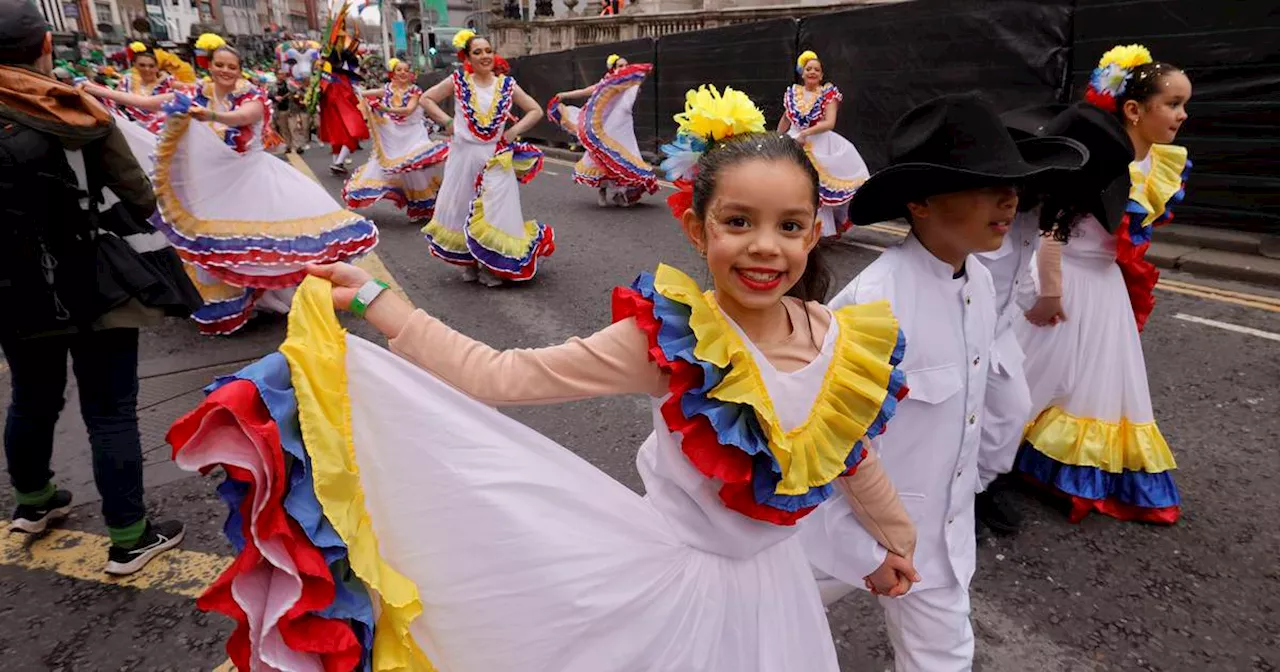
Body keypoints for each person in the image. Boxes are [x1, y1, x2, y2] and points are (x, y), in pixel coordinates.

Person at [170, 85, 922, 671]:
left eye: (790, 225)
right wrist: (381, 304)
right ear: (696, 228)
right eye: (738, 222)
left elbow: (853, 457)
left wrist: (892, 545)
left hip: (778, 590)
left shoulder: (839, 341)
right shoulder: (667, 341)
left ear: (816, 229)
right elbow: (501, 375)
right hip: (671, 590)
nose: (766, 248)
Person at [798, 93, 1086, 671]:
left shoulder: (979, 282)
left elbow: (985, 399)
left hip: (941, 540)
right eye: (985, 185)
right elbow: (827, 450)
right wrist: (863, 551)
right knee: (761, 632)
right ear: (923, 202)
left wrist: (973, 486)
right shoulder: (872, 307)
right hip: (843, 539)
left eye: (1013, 184)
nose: (1010, 199)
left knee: (945, 659)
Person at [0, 0, 201, 575]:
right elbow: (140, 195)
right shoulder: (73, 110)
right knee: (109, 409)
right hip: (93, 281)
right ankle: (129, 537)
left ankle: (34, 503)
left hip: (14, 286)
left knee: (32, 396)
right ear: (44, 48)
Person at [79, 36, 380, 335]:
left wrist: (210, 115)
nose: (225, 70)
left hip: (254, 179)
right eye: (219, 65)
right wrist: (95, 90)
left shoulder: (251, 96)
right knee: (220, 244)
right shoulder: (194, 93)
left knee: (277, 240)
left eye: (231, 66)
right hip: (214, 186)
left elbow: (243, 117)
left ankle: (301, 294)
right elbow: (148, 103)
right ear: (209, 66)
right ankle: (243, 300)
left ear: (238, 70)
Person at [1013, 45, 1191, 524]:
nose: (1182, 114)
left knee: (1095, 390)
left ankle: (1052, 468)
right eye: (1172, 104)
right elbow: (1052, 226)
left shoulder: (1158, 165)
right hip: (1065, 278)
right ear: (1134, 109)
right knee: (1030, 380)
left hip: (1104, 286)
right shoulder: (1097, 156)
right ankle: (985, 468)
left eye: (1183, 104)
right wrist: (1049, 292)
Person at [969, 102, 1138, 536]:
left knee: (1011, 409)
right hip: (965, 318)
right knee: (964, 408)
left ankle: (977, 486)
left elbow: (1025, 263)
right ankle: (956, 497)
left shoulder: (1041, 205)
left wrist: (1030, 301)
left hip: (999, 323)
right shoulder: (1002, 198)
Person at [419, 29, 553, 287]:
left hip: (494, 155)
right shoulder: (458, 80)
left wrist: (513, 131)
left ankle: (492, 265)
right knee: (462, 208)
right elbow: (426, 99)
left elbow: (535, 110)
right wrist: (447, 121)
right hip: (464, 155)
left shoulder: (506, 84)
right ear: (467, 58)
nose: (484, 56)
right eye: (477, 52)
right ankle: (469, 262)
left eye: (488, 51)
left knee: (495, 211)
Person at [776, 50, 870, 238]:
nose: (812, 72)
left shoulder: (828, 94)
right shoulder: (794, 93)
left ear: (821, 75)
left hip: (819, 142)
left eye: (816, 70)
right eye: (809, 69)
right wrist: (776, 139)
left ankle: (819, 228)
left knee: (816, 187)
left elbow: (829, 122)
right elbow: (786, 119)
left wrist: (806, 133)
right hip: (794, 141)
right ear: (802, 73)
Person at [342, 57, 447, 221]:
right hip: (393, 136)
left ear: (411, 74)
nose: (403, 73)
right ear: (393, 73)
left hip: (413, 134)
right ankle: (418, 206)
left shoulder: (415, 91)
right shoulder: (387, 89)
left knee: (416, 167)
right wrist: (350, 91)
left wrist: (384, 108)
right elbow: (360, 95)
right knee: (395, 170)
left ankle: (425, 205)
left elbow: (408, 110)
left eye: (406, 70)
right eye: (399, 70)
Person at [550, 53, 658, 207]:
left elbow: (639, 80)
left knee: (624, 158)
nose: (624, 68)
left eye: (626, 65)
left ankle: (619, 193)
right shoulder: (605, 84)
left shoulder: (630, 83)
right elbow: (584, 91)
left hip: (622, 124)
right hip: (604, 127)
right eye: (620, 66)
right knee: (602, 157)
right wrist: (563, 95)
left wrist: (642, 72)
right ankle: (602, 190)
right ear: (613, 68)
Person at [319, 46, 368, 175]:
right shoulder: (341, 78)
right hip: (343, 110)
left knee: (337, 137)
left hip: (331, 112)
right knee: (353, 133)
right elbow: (348, 97)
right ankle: (338, 163)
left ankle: (336, 163)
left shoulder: (326, 78)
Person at [110, 42, 173, 133]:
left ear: (157, 67)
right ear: (135, 65)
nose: (147, 69)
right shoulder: (127, 81)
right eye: (142, 65)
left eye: (151, 66)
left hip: (163, 131)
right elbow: (114, 102)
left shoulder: (168, 83)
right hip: (134, 131)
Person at [272, 58, 309, 153]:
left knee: (294, 128)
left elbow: (300, 92)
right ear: (276, 75)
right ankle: (288, 145)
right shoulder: (273, 85)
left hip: (291, 109)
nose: (282, 75)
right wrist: (275, 97)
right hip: (280, 109)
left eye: (283, 73)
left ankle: (297, 146)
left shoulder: (290, 83)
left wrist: (297, 90)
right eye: (279, 74)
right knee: (284, 128)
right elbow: (269, 94)